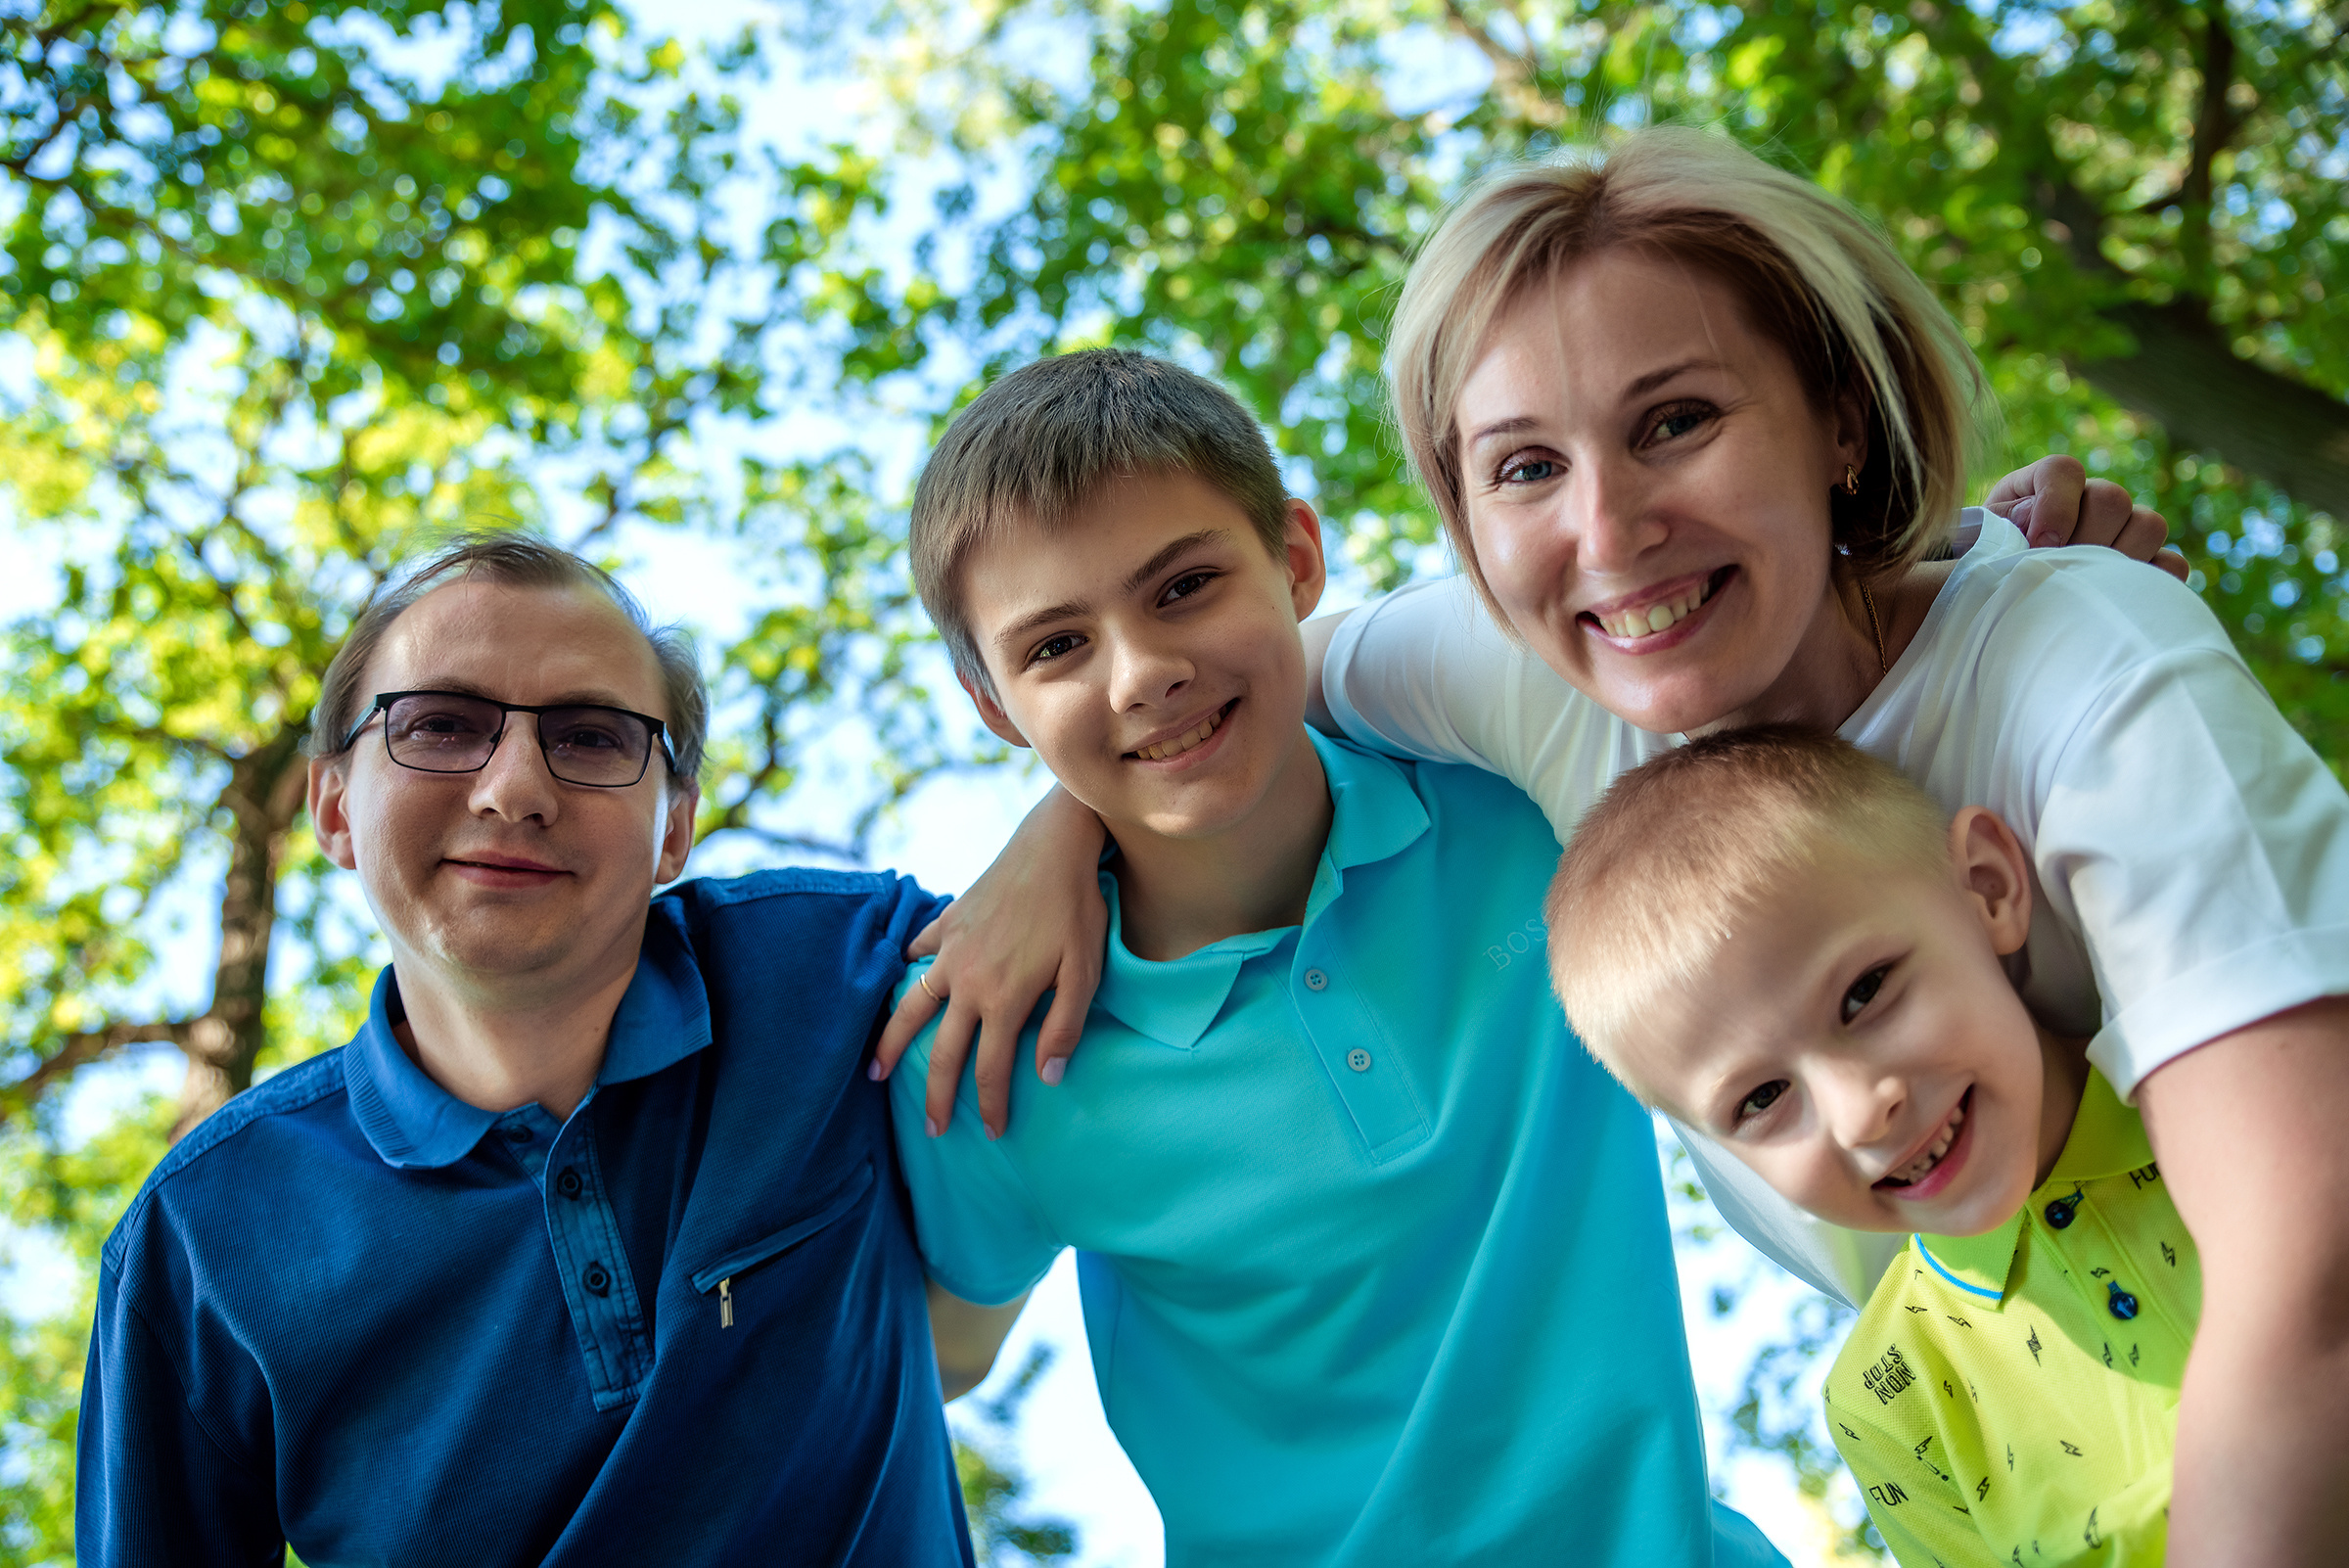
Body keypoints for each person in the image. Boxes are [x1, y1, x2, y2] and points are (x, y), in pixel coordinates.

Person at [890, 127, 2349, 1561]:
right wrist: (1059, 831)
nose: (1613, 531)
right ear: (1469, 524)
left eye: (1676, 421)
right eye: (1526, 468)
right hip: (2029, 1435)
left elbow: (2307, 1295)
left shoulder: (2080, 669)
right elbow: (1210, 688)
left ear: (1840, 416)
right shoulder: (1519, 677)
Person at [894, 347, 1785, 1567]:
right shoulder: (996, 1035)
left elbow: (1782, 636)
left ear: (1298, 561)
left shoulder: (1518, 801)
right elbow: (936, 1353)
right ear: (994, 705)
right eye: (1055, 649)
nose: (1143, 671)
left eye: (1185, 586)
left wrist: (2003, 546)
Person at [76, 537, 974, 1566]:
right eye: (442, 726)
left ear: (674, 827)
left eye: (591, 738)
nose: (513, 788)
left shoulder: (837, 971)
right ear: (333, 806)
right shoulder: (200, 1238)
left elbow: (1149, 886)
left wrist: (1064, 837)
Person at [1546, 725, 2200, 1567]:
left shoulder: (2248, 1094)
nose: (1862, 1113)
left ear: (1988, 888)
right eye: (1763, 1099)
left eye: (1864, 993)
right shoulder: (1893, 1401)